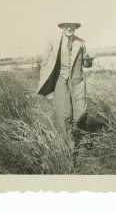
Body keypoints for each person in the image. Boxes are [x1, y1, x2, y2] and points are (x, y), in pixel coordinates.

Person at [36, 21, 94, 159]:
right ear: (62, 27)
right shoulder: (53, 42)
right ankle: (70, 145)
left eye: (72, 25)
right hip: (60, 81)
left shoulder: (81, 42)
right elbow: (45, 63)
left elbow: (87, 65)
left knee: (81, 111)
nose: (69, 28)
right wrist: (45, 83)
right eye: (66, 25)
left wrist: (88, 61)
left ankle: (81, 136)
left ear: (75, 27)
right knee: (64, 113)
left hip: (77, 81)